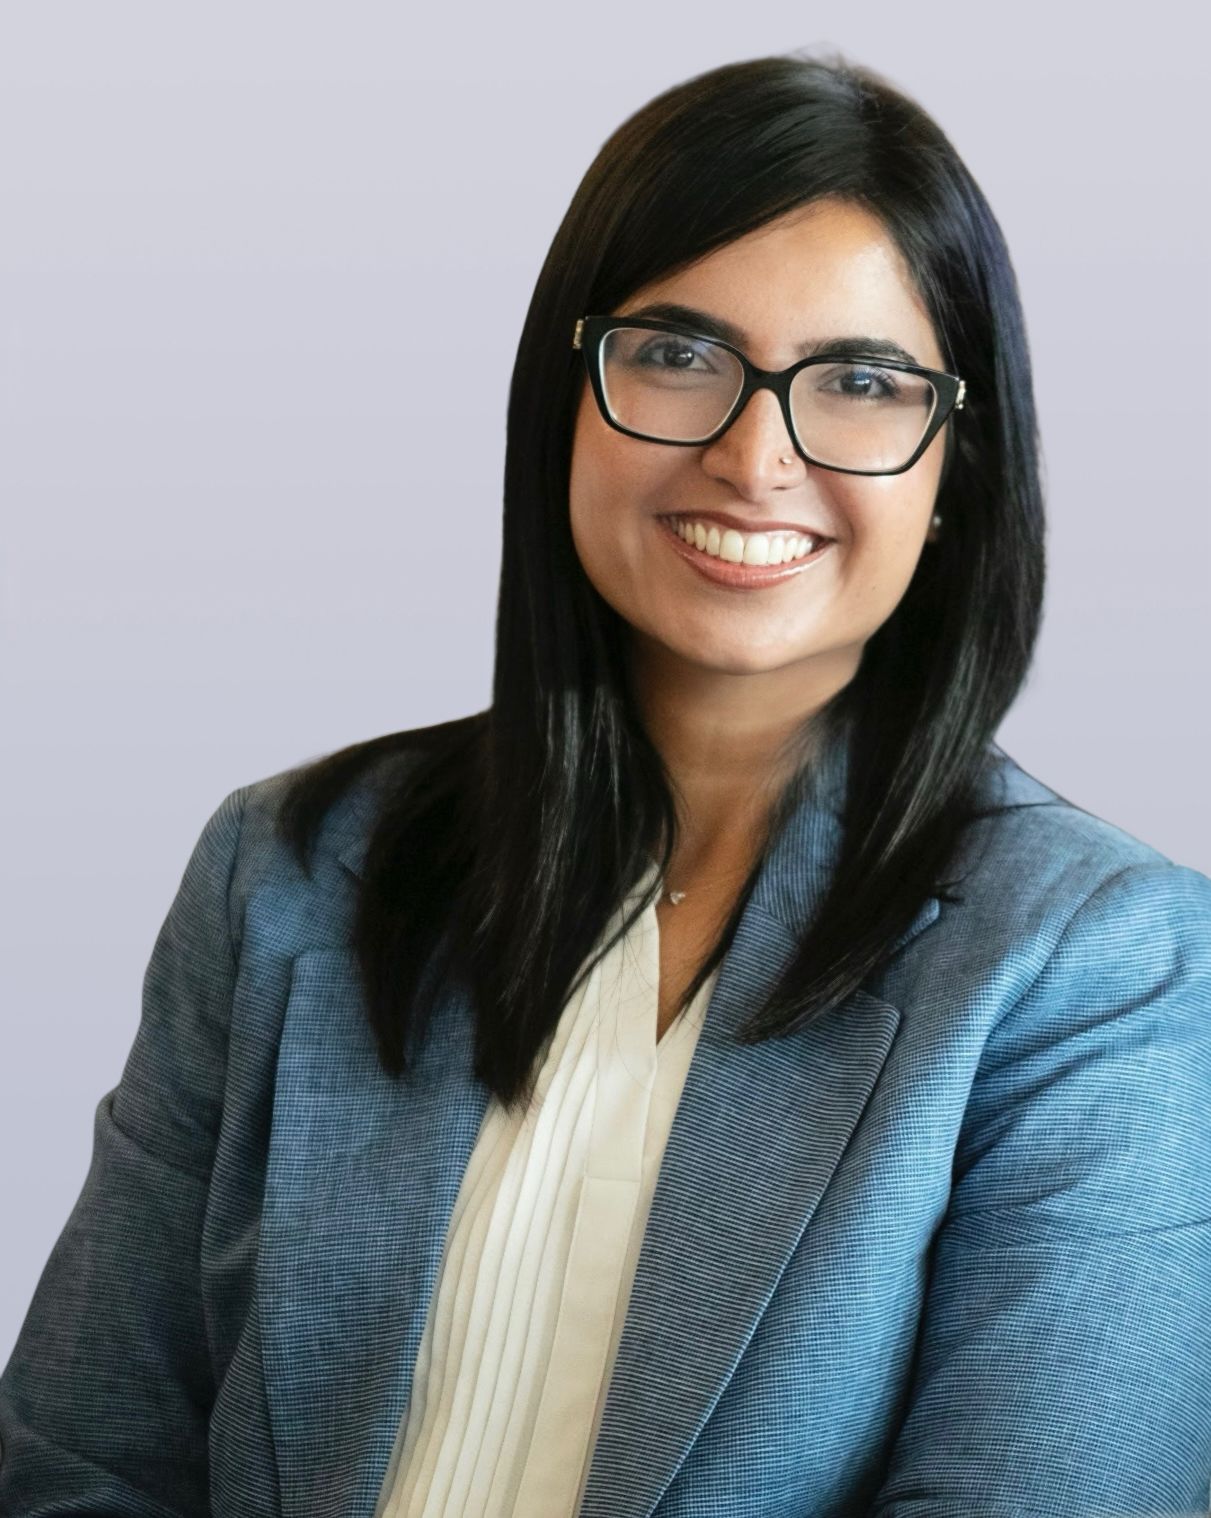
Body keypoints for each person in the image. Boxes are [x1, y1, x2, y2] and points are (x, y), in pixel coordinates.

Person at [2, 47, 1209, 1518]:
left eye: (861, 383)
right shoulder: (288, 869)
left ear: (959, 463)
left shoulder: (1101, 971)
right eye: (679, 355)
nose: (755, 457)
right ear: (564, 397)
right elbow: (77, 1464)